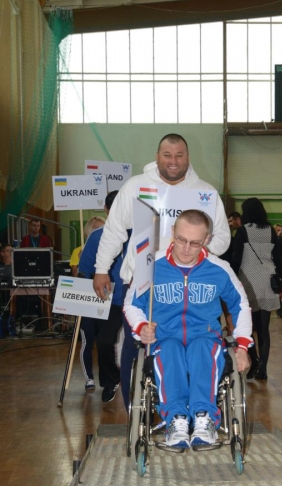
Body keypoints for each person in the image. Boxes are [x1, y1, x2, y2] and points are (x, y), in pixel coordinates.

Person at [93, 133, 231, 410]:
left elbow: (222, 238)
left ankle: (188, 407)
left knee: (189, 343)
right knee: (137, 344)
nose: (173, 161)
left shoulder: (205, 192)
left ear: (187, 158)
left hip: (187, 283)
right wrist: (101, 268)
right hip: (143, 279)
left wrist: (196, 255)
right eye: (167, 155)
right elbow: (114, 231)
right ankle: (134, 411)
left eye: (179, 155)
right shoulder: (135, 186)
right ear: (157, 157)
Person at [124, 210, 252, 448]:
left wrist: (243, 345)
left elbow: (241, 305)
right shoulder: (151, 266)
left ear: (207, 240)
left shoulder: (219, 269)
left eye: (194, 243)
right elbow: (132, 305)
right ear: (172, 232)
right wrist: (141, 327)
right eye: (181, 239)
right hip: (164, 337)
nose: (185, 248)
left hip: (204, 336)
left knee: (203, 347)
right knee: (170, 350)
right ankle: (177, 419)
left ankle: (204, 417)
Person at [231, 197, 282, 381]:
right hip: (268, 281)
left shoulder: (243, 231)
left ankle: (254, 360)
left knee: (249, 326)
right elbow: (279, 259)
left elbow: (236, 259)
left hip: (249, 281)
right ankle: (263, 370)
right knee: (264, 329)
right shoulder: (271, 231)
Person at [78, 196, 123, 402]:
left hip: (136, 299)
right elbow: (84, 270)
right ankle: (110, 380)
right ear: (106, 209)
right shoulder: (97, 236)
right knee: (104, 341)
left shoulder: (138, 234)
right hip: (110, 300)